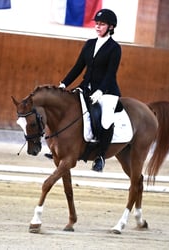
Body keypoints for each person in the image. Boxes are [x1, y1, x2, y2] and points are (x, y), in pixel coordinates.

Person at [58, 9, 122, 172]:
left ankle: (100, 156)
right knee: (69, 110)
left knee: (106, 119)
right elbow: (78, 67)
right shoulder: (90, 44)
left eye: (102, 24)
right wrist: (64, 84)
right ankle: (63, 148)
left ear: (111, 27)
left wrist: (100, 91)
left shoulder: (114, 48)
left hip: (107, 91)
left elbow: (110, 73)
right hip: (86, 86)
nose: (98, 27)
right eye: (97, 24)